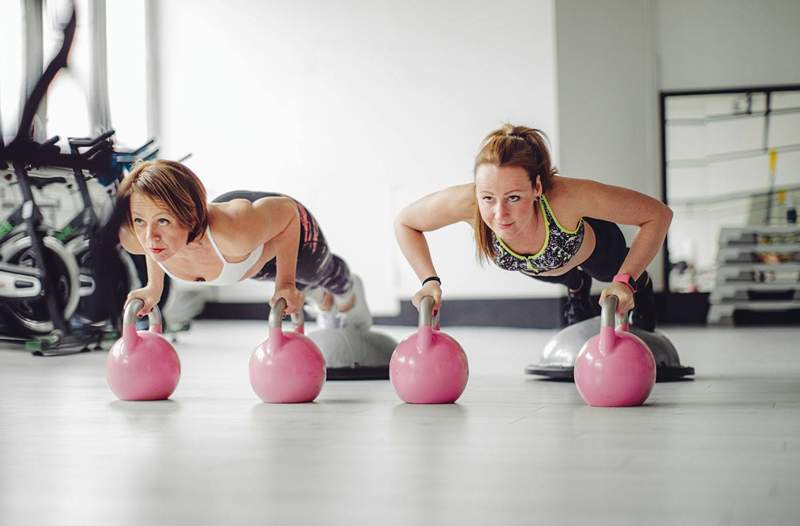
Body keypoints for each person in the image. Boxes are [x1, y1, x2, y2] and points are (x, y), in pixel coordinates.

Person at [394, 124, 673, 330]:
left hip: (597, 250)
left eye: (514, 197)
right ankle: (576, 289)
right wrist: (429, 282)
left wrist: (625, 281)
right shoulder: (468, 203)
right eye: (488, 198)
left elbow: (658, 215)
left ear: (537, 187)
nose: (500, 213)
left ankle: (642, 285)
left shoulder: (567, 197)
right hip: (544, 268)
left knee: (606, 273)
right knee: (561, 275)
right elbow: (405, 222)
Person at [115, 159, 370, 330]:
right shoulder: (135, 238)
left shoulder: (234, 234)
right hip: (249, 256)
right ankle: (321, 301)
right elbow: (151, 243)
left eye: (163, 221)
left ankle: (349, 291)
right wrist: (153, 287)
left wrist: (286, 284)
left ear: (190, 216)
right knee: (305, 291)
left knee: (317, 275)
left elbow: (288, 214)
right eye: (140, 221)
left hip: (286, 227)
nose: (150, 237)